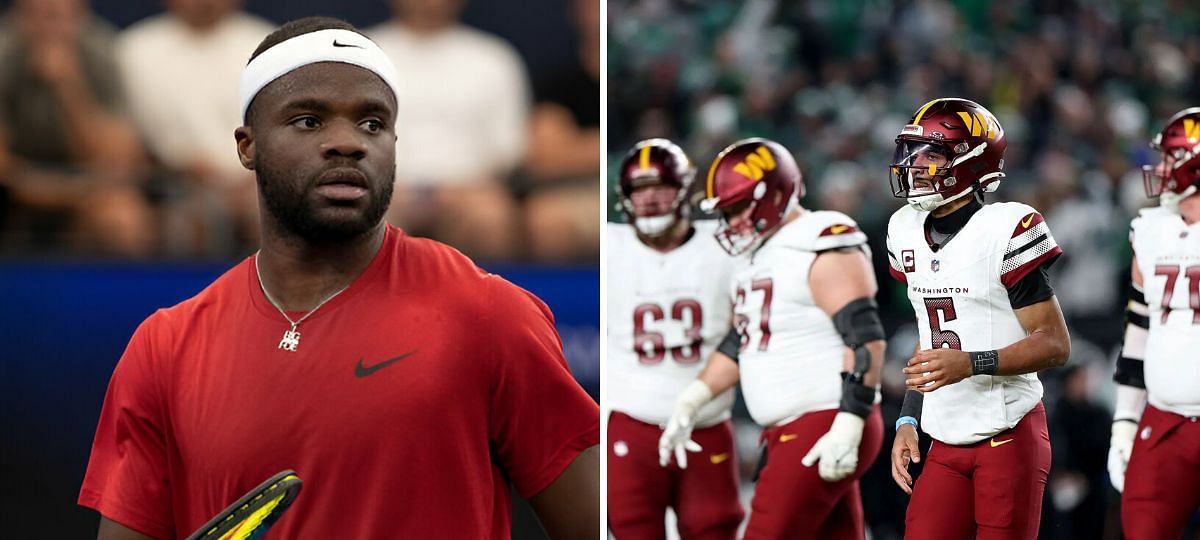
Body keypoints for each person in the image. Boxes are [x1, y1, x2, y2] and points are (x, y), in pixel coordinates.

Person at [78, 17, 598, 540]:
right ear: (247, 146)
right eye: (309, 121)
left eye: (372, 124)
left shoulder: (489, 314)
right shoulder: (163, 348)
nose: (348, 143)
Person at [661, 137, 887, 539]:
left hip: (823, 419)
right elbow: (742, 341)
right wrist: (691, 399)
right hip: (794, 428)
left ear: (774, 193)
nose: (729, 222)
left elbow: (865, 339)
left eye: (735, 208)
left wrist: (850, 420)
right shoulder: (759, 255)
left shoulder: (820, 237)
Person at [885, 98, 1071, 539]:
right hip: (946, 437)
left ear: (970, 162)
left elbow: (1054, 344)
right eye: (915, 152)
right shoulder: (904, 228)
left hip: (1007, 432)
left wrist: (971, 363)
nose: (915, 164)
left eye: (932, 154)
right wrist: (909, 419)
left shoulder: (1005, 227)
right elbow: (931, 336)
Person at [606, 139, 743, 539]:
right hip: (632, 417)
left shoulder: (724, 245)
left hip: (707, 419)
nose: (649, 200)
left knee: (713, 527)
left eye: (660, 188)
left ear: (684, 190)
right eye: (639, 190)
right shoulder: (611, 246)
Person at [368, 0, 527, 261]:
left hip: (469, 192)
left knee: (492, 218)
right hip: (383, 190)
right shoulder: (364, 53)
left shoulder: (494, 58)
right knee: (360, 214)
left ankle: (490, 301)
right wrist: (387, 187)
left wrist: (463, 191)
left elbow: (509, 149)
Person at [117, 0, 273, 255]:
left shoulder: (267, 45)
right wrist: (181, 170)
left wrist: (253, 176)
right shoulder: (133, 49)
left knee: (271, 215)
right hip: (168, 186)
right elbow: (129, 138)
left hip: (255, 180)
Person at [1108, 106, 1200, 540]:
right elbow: (1138, 332)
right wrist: (1125, 420)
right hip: (1163, 420)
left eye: (1169, 158)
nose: (1158, 168)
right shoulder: (1151, 229)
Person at [0, 0, 153, 256]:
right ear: (18, 15)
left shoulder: (102, 52)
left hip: (85, 185)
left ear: (81, 15)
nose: (50, 29)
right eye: (39, 16)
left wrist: (68, 87)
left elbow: (115, 159)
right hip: (18, 190)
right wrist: (64, 190)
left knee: (122, 221)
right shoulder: (5, 54)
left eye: (60, 17)